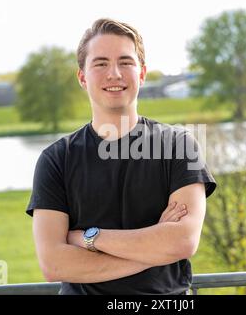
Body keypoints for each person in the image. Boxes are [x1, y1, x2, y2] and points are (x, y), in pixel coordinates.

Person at [26, 18, 216, 295]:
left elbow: (183, 242)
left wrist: (89, 238)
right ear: (82, 77)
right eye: (100, 63)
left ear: (142, 74)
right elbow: (54, 264)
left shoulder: (179, 145)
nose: (114, 73)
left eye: (125, 62)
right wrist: (154, 250)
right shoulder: (56, 159)